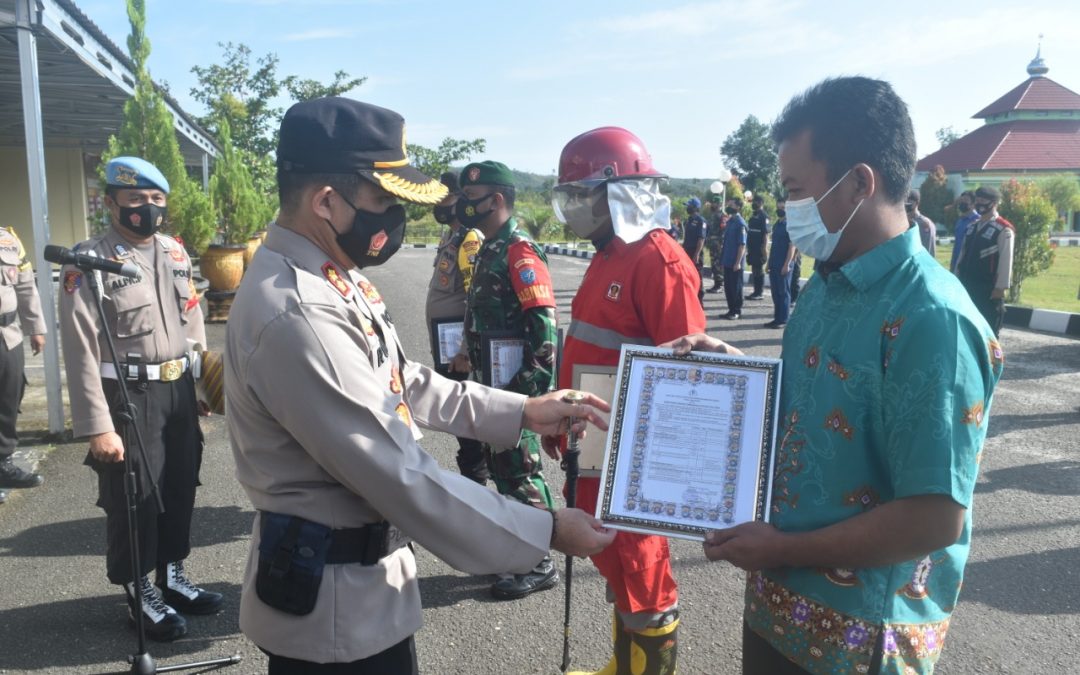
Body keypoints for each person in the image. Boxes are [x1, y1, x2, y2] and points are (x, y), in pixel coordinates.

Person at [225, 97, 614, 674]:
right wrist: (547, 528)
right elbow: (399, 475)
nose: (392, 217)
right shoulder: (298, 313)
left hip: (358, 595)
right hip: (334, 619)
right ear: (327, 202)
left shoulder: (326, 277)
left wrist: (523, 411)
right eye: (382, 200)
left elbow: (399, 380)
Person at [666, 76, 1003, 675]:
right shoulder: (828, 283)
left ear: (858, 183)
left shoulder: (932, 319)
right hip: (777, 601)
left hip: (858, 638)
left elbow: (933, 516)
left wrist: (785, 548)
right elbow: (819, 396)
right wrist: (734, 374)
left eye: (796, 190)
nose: (788, 207)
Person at [549, 127, 704, 675]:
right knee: (612, 560)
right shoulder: (609, 254)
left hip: (635, 458)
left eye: (582, 196)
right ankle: (625, 666)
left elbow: (690, 381)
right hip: (592, 444)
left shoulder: (659, 262)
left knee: (644, 572)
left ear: (617, 193)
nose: (575, 210)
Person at [59, 157, 222, 643]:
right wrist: (97, 425)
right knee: (133, 498)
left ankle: (170, 578)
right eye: (134, 201)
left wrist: (202, 386)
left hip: (176, 389)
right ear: (111, 203)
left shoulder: (173, 252)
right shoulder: (87, 260)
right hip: (127, 394)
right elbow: (79, 345)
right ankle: (138, 592)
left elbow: (193, 321)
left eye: (156, 201)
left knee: (178, 486)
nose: (146, 210)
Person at [456, 160, 563, 600]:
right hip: (491, 384)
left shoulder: (518, 250)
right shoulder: (490, 246)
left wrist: (529, 396)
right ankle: (517, 550)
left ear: (496, 200)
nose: (464, 206)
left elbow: (544, 329)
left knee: (521, 471)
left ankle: (540, 560)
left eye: (471, 200)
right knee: (501, 470)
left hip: (515, 389)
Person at [423, 172, 488, 484]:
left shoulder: (469, 239)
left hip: (458, 351)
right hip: (445, 345)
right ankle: (473, 478)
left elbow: (475, 298)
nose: (441, 204)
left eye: (447, 199)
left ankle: (477, 482)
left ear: (461, 202)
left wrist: (465, 350)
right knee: (460, 420)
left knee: (466, 420)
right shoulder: (450, 237)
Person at [0, 225, 47, 501]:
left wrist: (36, 328)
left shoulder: (8, 239)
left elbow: (26, 285)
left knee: (8, 399)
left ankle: (2, 465)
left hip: (8, 337)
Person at [955, 186, 1014, 336]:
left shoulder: (1003, 229)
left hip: (988, 290)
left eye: (984, 201)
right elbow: (962, 255)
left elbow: (1006, 260)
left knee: (988, 333)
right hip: (966, 286)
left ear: (994, 203)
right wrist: (955, 279)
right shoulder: (972, 227)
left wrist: (1000, 288)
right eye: (977, 200)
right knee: (966, 331)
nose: (979, 204)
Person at [764, 203, 795, 328]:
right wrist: (768, 263)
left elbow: (792, 246)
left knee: (783, 292)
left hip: (784, 264)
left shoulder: (790, 225)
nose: (780, 210)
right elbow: (773, 246)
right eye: (779, 208)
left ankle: (783, 319)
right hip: (774, 263)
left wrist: (786, 264)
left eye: (783, 208)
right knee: (775, 292)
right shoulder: (777, 224)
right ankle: (777, 318)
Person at [720, 197, 747, 319]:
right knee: (728, 287)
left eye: (731, 204)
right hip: (727, 260)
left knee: (736, 287)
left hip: (735, 262)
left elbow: (742, 245)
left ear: (738, 207)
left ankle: (736, 311)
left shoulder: (740, 223)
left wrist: (738, 262)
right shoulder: (730, 221)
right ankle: (730, 309)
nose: (729, 206)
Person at [681, 197, 707, 305]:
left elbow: (701, 238)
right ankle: (691, 299)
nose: (687, 208)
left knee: (697, 276)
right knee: (688, 276)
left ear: (695, 208)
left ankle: (699, 302)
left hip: (695, 252)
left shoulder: (701, 221)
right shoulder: (688, 220)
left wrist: (696, 254)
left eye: (689, 206)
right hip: (687, 251)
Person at [745, 195, 770, 299]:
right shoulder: (753, 215)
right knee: (754, 270)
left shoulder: (764, 216)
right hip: (752, 248)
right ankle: (755, 291)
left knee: (759, 270)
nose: (753, 204)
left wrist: (764, 248)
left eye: (755, 202)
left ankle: (759, 293)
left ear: (760, 203)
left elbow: (766, 234)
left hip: (759, 248)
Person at [950, 190, 978, 273]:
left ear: (973, 204)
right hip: (956, 261)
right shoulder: (960, 220)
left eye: (965, 200)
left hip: (969, 264)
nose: (962, 203)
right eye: (961, 200)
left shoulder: (977, 221)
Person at [905, 188, 936, 257]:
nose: (906, 203)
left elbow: (926, 247)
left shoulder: (923, 223)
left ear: (916, 203)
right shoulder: (907, 221)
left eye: (909, 200)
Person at [705, 195, 726, 293]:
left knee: (718, 264)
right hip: (712, 244)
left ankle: (719, 285)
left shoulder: (722, 216)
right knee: (714, 264)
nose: (712, 204)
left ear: (719, 204)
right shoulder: (713, 215)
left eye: (714, 203)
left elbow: (724, 231)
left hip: (718, 244)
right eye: (712, 202)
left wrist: (719, 242)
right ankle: (716, 284)